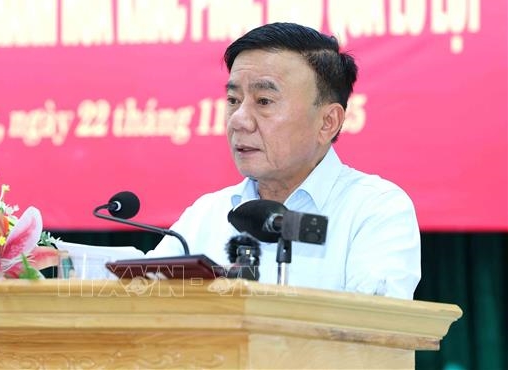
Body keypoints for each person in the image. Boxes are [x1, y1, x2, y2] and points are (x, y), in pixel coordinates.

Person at [148, 22, 421, 299]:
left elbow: (371, 322)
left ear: (327, 122)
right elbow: (143, 301)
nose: (239, 120)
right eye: (233, 100)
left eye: (264, 101)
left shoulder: (374, 210)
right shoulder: (205, 215)